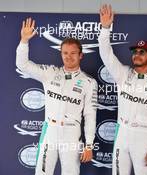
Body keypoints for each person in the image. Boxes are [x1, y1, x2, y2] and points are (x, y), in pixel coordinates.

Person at [16, 18, 98, 175]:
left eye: (73, 53)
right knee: (42, 172)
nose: (68, 57)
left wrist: (89, 145)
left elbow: (90, 116)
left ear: (81, 55)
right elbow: (22, 65)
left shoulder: (89, 82)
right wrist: (24, 41)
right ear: (61, 54)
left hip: (72, 134)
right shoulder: (50, 73)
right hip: (50, 132)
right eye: (65, 53)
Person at [98, 4, 147, 175]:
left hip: (144, 138)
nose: (137, 54)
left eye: (142, 52)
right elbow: (106, 54)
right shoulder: (123, 73)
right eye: (135, 51)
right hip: (121, 135)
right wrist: (106, 28)